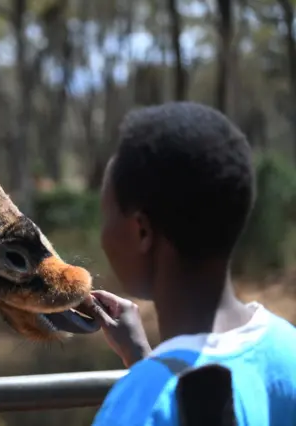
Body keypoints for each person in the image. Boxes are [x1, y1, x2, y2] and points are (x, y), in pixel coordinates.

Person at [89, 101, 296, 425]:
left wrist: (147, 378)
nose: (102, 234)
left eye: (106, 214)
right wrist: (143, 359)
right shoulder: (288, 348)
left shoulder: (137, 407)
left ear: (142, 231)